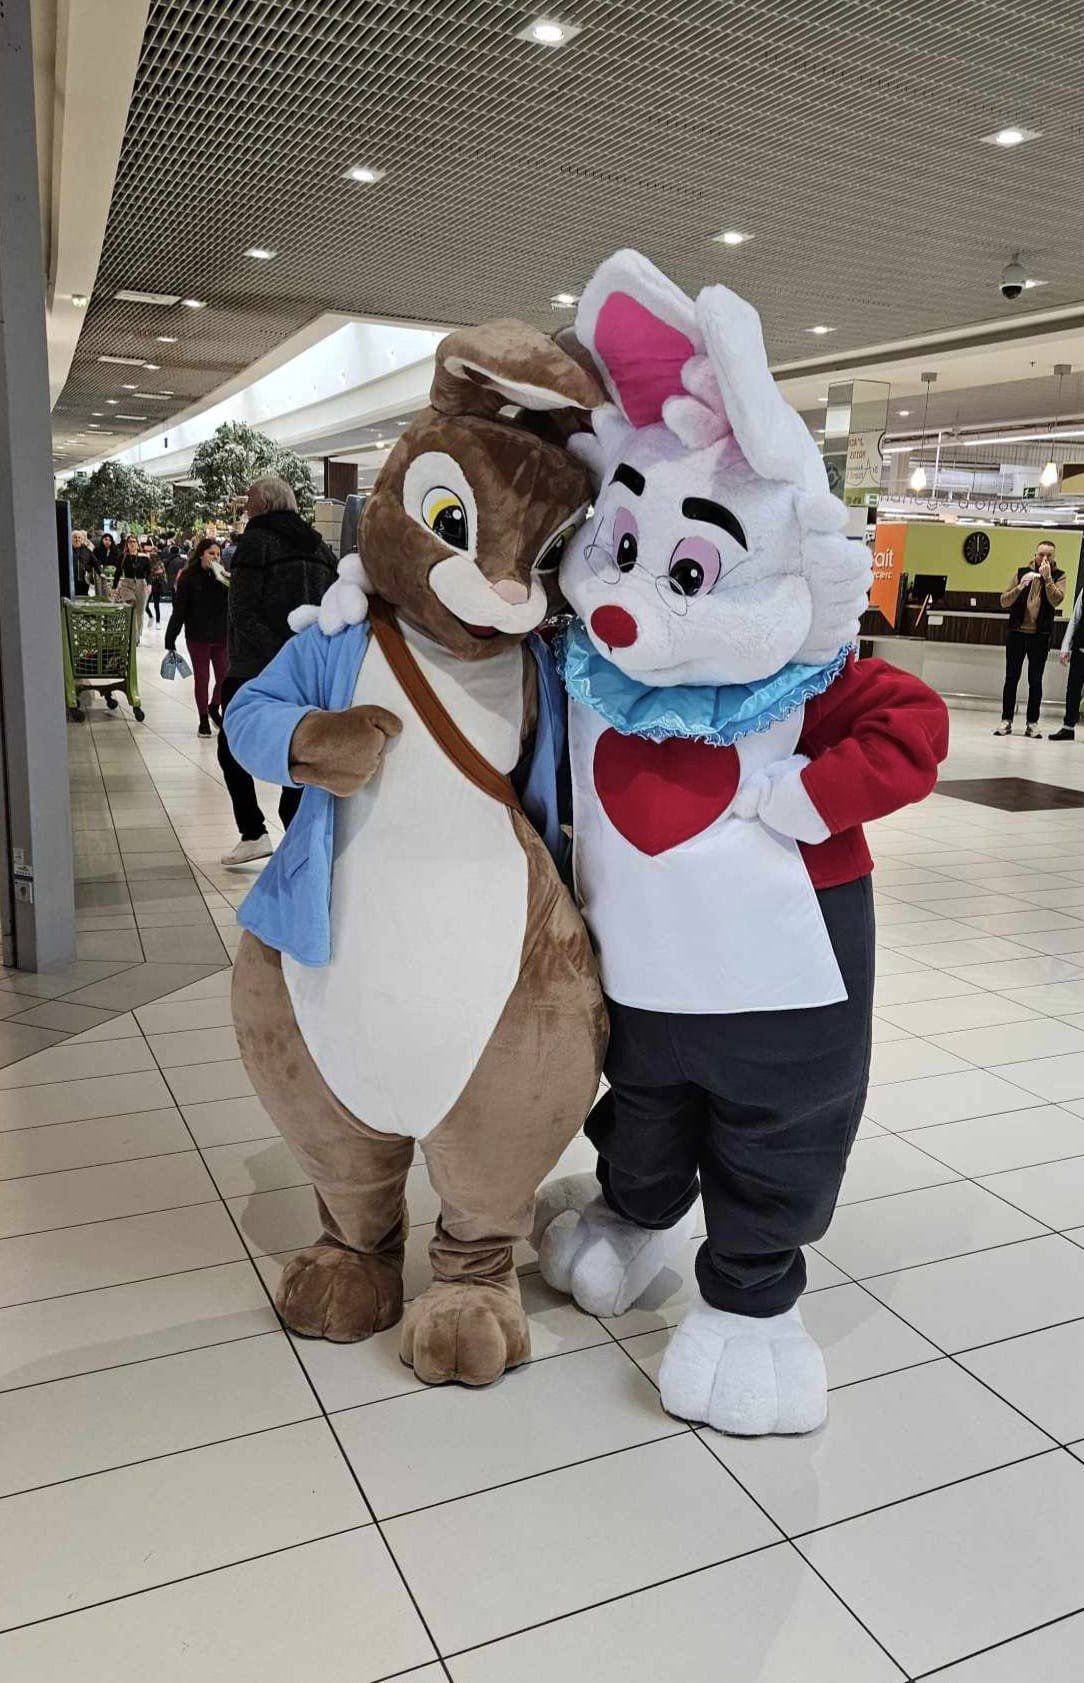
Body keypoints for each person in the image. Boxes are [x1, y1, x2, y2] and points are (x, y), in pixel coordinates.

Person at [217, 476, 334, 864]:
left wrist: (278, 658)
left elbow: (243, 610)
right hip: (311, 669)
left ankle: (253, 831)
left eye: (249, 500)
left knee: (231, 742)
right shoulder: (319, 546)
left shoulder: (256, 542)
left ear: (264, 505)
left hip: (257, 668)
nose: (246, 507)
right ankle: (298, 832)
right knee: (301, 745)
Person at [995, 539, 1065, 737]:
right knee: (1011, 678)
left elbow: (1057, 600)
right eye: (1041, 554)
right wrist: (1019, 588)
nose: (1044, 559)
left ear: (1053, 558)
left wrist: (1048, 579)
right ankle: (1006, 720)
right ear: (1034, 555)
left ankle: (1032, 723)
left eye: (1048, 556)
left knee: (1035, 680)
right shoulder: (1020, 573)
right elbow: (1003, 601)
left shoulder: (1059, 576)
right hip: (1017, 633)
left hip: (1039, 636)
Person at [164, 538, 230, 736]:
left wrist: (228, 581)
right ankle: (203, 719)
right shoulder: (188, 577)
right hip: (198, 634)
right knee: (203, 678)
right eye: (211, 553)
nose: (215, 557)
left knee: (224, 677)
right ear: (201, 554)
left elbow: (233, 605)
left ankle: (214, 706)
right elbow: (180, 609)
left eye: (218, 554)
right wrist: (171, 636)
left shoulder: (224, 578)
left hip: (221, 634)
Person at [1051, 589, 1084, 741]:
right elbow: (1075, 619)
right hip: (1080, 649)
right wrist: (1066, 647)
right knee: (1073, 690)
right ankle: (1068, 728)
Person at [71, 530, 96, 596]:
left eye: (79, 538)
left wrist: (100, 572)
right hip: (71, 580)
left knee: (83, 596)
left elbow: (95, 561)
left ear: (82, 539)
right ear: (71, 539)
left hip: (84, 579)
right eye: (75, 537)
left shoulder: (86, 550)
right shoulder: (68, 550)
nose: (77, 539)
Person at [147, 551, 167, 623]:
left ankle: (157, 621)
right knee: (146, 605)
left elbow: (162, 573)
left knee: (156, 605)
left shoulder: (160, 563)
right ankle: (151, 616)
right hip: (149, 585)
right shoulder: (148, 564)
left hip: (156, 585)